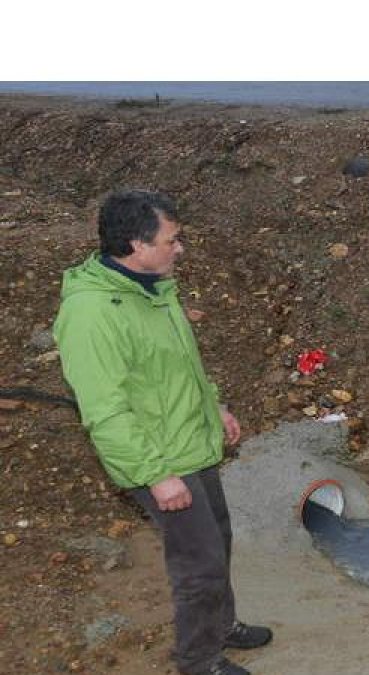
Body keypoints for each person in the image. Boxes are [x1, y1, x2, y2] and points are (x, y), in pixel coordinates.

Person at [53, 190, 272, 675]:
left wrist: (214, 403)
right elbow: (105, 412)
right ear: (137, 244)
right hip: (157, 457)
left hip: (190, 439)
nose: (181, 249)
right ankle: (199, 661)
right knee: (200, 565)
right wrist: (156, 475)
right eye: (172, 240)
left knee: (218, 539)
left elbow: (178, 362)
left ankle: (221, 626)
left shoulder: (151, 287)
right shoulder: (93, 314)